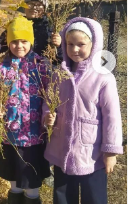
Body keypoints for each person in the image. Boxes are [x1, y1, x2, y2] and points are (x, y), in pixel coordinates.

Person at [43, 17, 123, 204]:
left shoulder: (103, 78)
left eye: (81, 44)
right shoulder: (59, 74)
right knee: (63, 195)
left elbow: (112, 117)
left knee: (94, 197)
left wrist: (110, 151)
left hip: (92, 153)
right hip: (63, 149)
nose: (75, 49)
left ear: (94, 45)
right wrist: (48, 116)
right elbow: (48, 102)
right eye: (70, 44)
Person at [0, 16, 50, 204]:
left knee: (31, 177)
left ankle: (32, 199)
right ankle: (14, 198)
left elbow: (50, 97)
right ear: (8, 43)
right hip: (11, 135)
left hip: (34, 134)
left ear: (31, 42)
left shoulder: (41, 66)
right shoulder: (1, 69)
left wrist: (50, 116)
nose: (19, 46)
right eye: (14, 42)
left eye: (24, 41)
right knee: (14, 175)